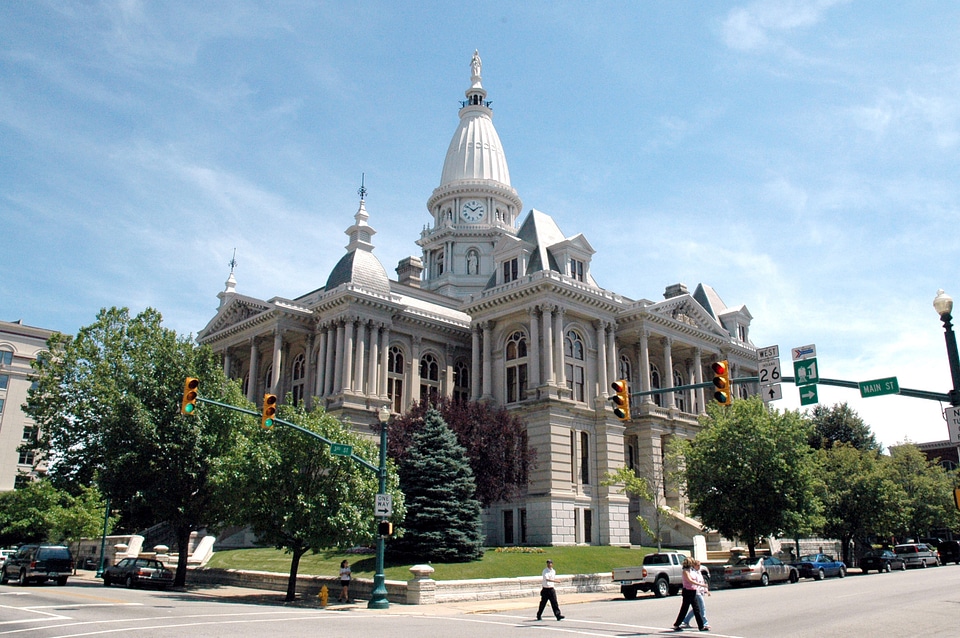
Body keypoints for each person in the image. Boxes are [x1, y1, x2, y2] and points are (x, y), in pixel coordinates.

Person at [673, 557, 706, 631]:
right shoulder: (685, 572)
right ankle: (676, 625)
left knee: (696, 609)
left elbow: (697, 577)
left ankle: (701, 626)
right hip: (687, 592)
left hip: (693, 591)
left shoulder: (691, 571)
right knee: (684, 609)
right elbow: (690, 580)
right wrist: (701, 585)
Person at [681, 559, 710, 630]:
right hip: (695, 592)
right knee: (701, 608)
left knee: (696, 609)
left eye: (700, 565)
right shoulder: (691, 572)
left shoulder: (699, 572)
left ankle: (685, 621)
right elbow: (692, 581)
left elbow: (702, 581)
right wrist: (701, 585)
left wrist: (706, 590)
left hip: (700, 591)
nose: (699, 566)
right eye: (698, 565)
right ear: (694, 565)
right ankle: (704, 623)